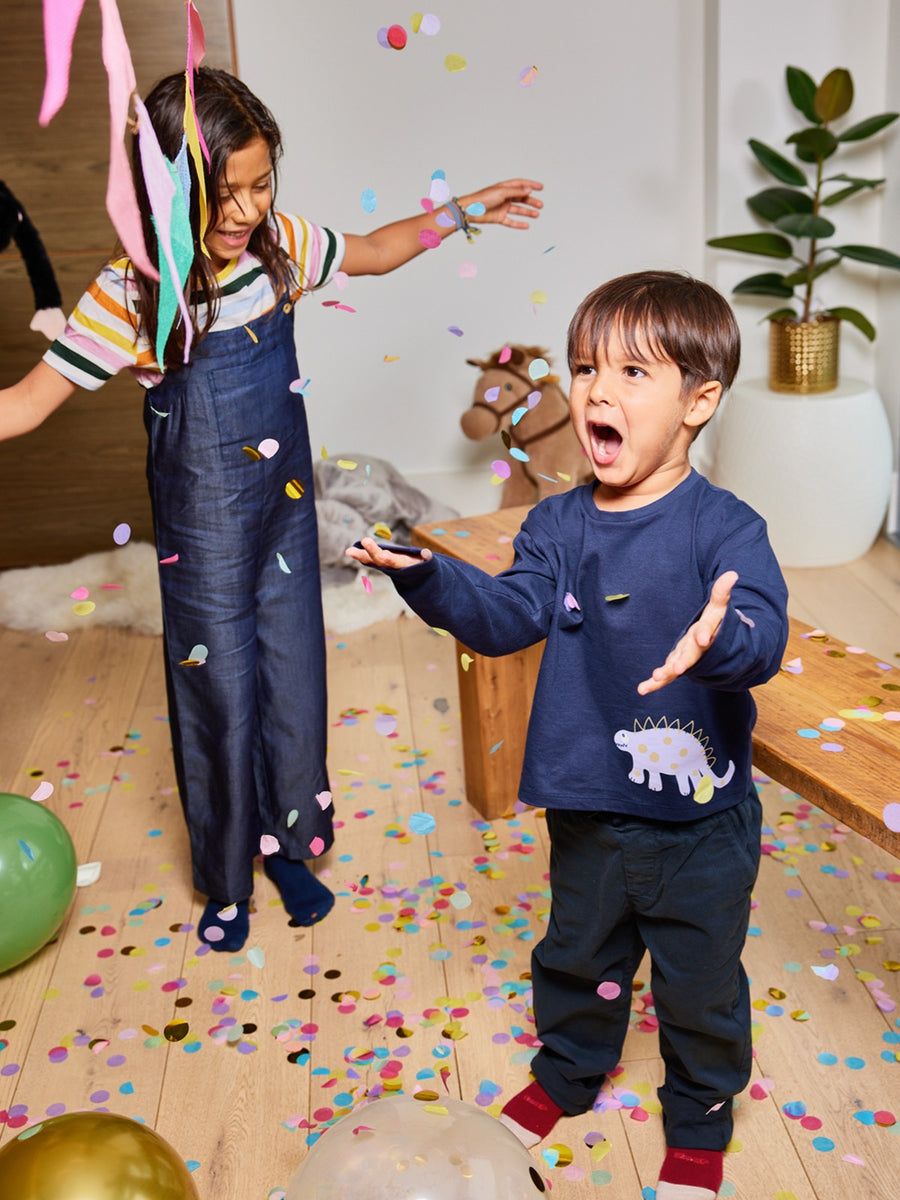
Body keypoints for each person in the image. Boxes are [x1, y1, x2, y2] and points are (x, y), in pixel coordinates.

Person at [0, 66, 543, 954]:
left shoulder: (278, 249)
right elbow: (24, 404)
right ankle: (224, 877)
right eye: (227, 193)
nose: (248, 208)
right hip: (201, 532)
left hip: (284, 513)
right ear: (168, 192)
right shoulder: (134, 294)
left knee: (291, 674)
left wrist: (462, 209)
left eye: (261, 184)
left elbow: (373, 246)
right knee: (220, 686)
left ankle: (290, 845)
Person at [348, 270, 789, 1200]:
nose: (598, 389)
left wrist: (724, 638)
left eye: (634, 372)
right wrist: (426, 577)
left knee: (698, 980)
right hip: (588, 800)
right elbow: (508, 613)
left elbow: (760, 630)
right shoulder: (557, 522)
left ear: (699, 400)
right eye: (587, 366)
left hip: (702, 823)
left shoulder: (726, 527)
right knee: (578, 955)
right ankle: (567, 1073)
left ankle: (701, 1116)